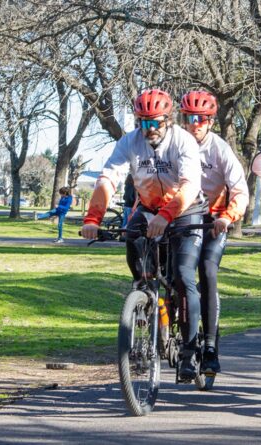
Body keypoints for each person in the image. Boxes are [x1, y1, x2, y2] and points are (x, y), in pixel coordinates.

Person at [81, 88, 207, 381]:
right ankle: (144, 301)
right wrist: (93, 217)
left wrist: (167, 216)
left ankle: (189, 351)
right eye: (143, 122)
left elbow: (189, 185)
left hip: (186, 209)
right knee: (136, 250)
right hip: (149, 208)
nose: (149, 129)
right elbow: (108, 178)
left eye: (155, 123)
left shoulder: (183, 141)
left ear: (168, 119)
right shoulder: (130, 142)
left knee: (183, 275)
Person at [180, 90, 250, 374]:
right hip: (182, 217)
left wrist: (227, 216)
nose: (194, 124)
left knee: (207, 271)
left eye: (200, 119)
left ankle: (209, 346)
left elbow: (240, 190)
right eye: (189, 118)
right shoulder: (174, 143)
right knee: (173, 272)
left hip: (213, 220)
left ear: (210, 121)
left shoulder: (220, 149)